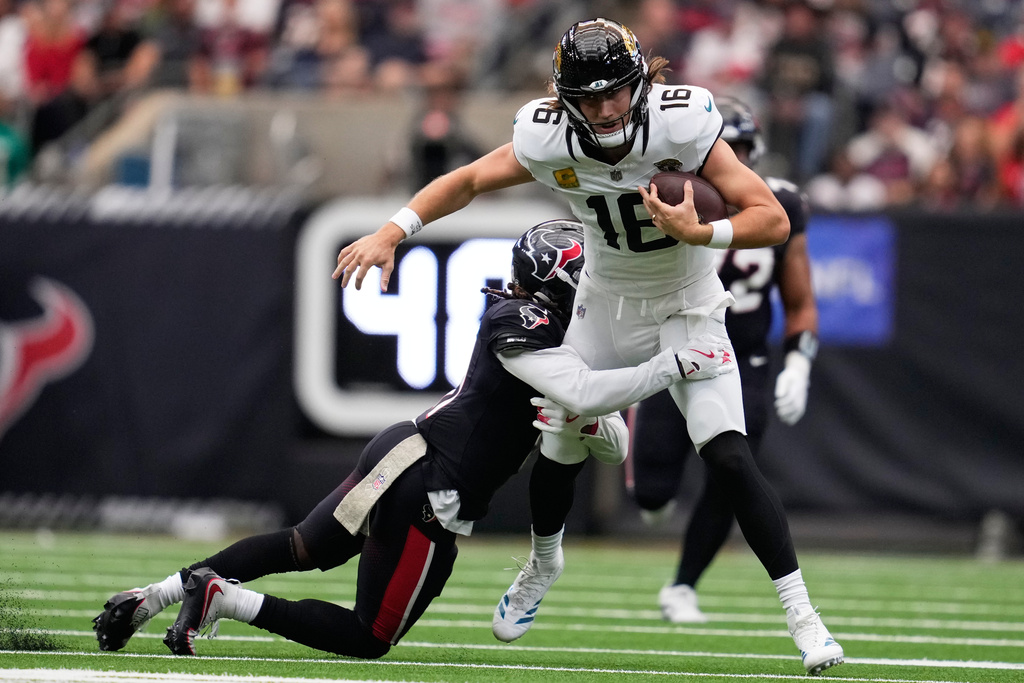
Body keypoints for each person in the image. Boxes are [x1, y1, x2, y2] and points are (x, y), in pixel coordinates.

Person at [333, 18, 844, 675]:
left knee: (730, 456)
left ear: (639, 84)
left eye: (616, 93)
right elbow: (467, 180)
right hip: (603, 305)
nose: (606, 109)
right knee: (560, 443)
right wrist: (393, 230)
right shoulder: (546, 135)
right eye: (590, 96)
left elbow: (770, 217)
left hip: (688, 302)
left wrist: (704, 231)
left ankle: (805, 619)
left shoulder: (681, 124)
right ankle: (544, 561)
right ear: (563, 96)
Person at [93, 219, 725, 659]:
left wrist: (596, 419)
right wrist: (676, 365)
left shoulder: (551, 324)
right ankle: (223, 601)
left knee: (301, 546)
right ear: (562, 281)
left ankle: (153, 597)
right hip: (432, 485)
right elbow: (587, 396)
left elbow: (606, 432)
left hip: (405, 450)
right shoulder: (525, 322)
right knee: (371, 635)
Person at [627, 96, 820, 628]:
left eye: (737, 149)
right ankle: (650, 488)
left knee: (731, 474)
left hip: (745, 358)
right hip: (678, 347)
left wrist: (799, 362)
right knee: (652, 496)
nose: (727, 157)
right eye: (721, 147)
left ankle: (683, 585)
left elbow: (801, 301)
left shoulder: (782, 205)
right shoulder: (664, 196)